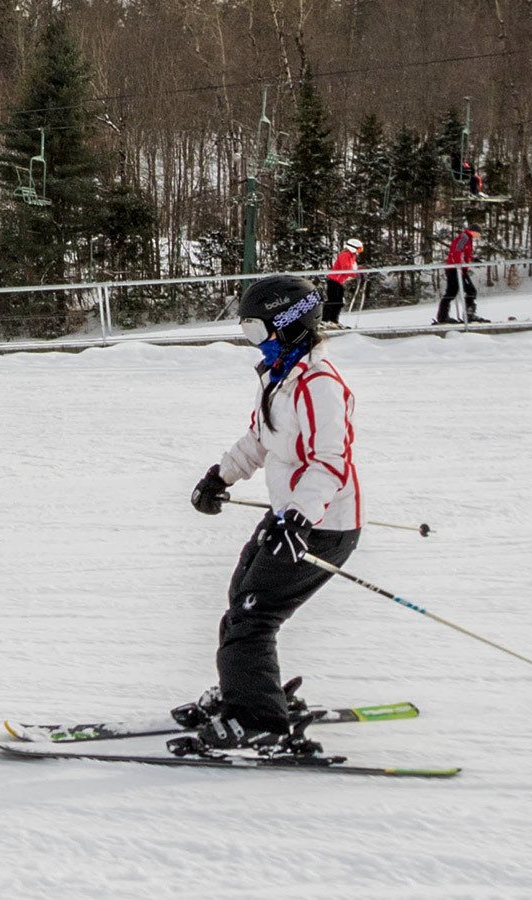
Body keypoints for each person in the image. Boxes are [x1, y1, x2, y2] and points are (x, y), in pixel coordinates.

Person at [189, 275, 363, 751]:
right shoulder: (280, 377)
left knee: (253, 616)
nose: (254, 343)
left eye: (257, 332)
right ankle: (246, 692)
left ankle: (259, 718)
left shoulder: (319, 387)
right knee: (241, 600)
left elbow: (331, 462)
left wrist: (301, 518)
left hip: (321, 525)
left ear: (287, 326)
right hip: (291, 517)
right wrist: (220, 476)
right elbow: (260, 440)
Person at [434, 223, 489, 324]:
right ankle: (468, 315)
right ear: (474, 231)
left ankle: (443, 316)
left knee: (452, 292)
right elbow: (457, 251)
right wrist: (459, 266)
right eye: (479, 233)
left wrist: (473, 259)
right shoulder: (465, 237)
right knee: (470, 291)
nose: (479, 236)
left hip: (456, 268)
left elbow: (462, 252)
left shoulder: (466, 238)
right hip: (456, 269)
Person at [323, 238, 363, 329]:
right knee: (333, 301)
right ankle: (324, 320)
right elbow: (346, 269)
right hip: (334, 280)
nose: (359, 251)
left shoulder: (352, 256)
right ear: (353, 247)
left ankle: (333, 320)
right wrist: (356, 273)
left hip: (339, 282)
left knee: (339, 302)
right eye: (359, 249)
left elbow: (352, 268)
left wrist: (360, 269)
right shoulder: (345, 255)